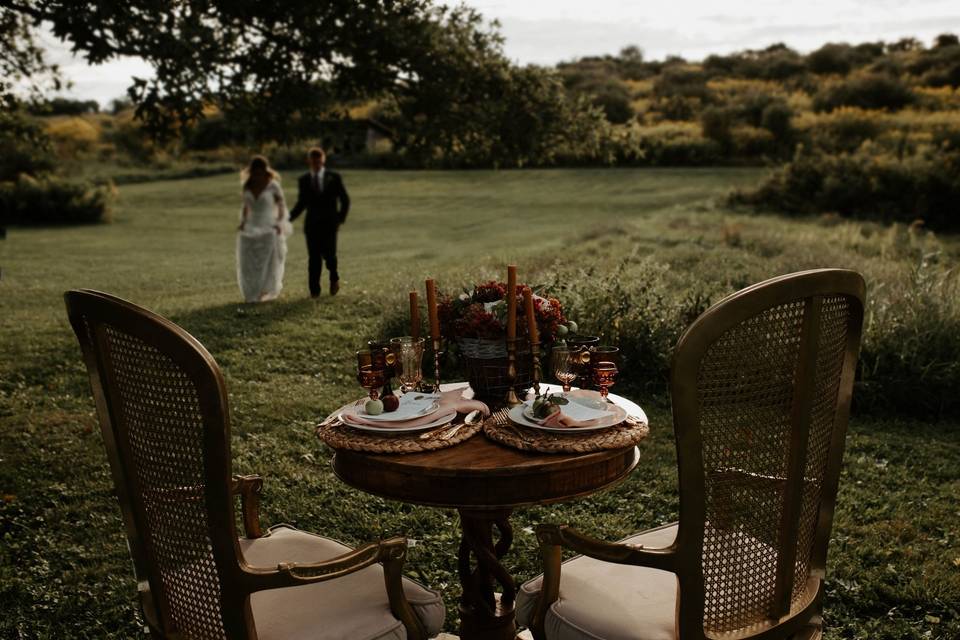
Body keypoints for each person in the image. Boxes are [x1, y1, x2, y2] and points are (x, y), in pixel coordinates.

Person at [288, 147, 350, 297]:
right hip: (312, 225)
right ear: (308, 161)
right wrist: (287, 220)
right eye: (313, 160)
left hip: (330, 224)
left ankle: (334, 277)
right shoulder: (304, 180)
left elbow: (345, 200)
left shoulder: (334, 177)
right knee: (314, 258)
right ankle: (314, 292)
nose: (316, 163)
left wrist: (340, 219)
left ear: (323, 160)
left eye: (319, 160)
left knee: (330, 256)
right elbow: (301, 203)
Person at [236, 155, 292, 302]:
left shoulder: (273, 185)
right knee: (248, 261)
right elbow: (246, 207)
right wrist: (242, 222)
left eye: (260, 172)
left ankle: (265, 290)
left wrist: (279, 223)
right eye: (255, 172)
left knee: (269, 259)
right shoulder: (247, 185)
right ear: (251, 171)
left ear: (265, 171)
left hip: (268, 224)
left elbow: (281, 206)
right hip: (251, 224)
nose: (257, 175)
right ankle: (252, 291)